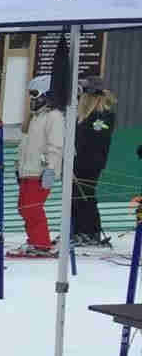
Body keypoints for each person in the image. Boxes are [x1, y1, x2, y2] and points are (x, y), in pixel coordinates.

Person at [12, 75, 63, 257]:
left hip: (41, 171)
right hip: (28, 170)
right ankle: (34, 240)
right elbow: (24, 145)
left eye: (36, 94)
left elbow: (55, 145)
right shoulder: (35, 117)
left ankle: (41, 243)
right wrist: (19, 166)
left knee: (32, 208)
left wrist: (50, 168)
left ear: (47, 94)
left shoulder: (54, 117)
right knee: (23, 207)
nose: (32, 99)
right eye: (30, 95)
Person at [71, 77, 118, 248]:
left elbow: (94, 141)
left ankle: (90, 232)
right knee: (75, 196)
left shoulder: (103, 116)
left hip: (90, 164)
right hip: (78, 162)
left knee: (85, 196)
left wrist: (78, 158)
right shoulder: (83, 115)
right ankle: (76, 230)